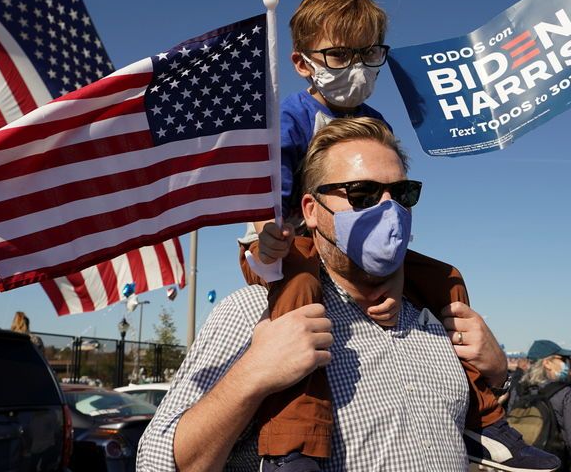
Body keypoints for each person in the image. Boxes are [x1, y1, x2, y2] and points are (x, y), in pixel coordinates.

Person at [238, 0, 552, 471]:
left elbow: (387, 205)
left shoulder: (375, 121)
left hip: (365, 247)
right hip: (293, 243)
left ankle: (484, 422)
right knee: (300, 294)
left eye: (369, 54)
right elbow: (268, 198)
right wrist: (268, 239)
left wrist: (393, 278)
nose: (357, 67)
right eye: (340, 54)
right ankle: (293, 445)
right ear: (302, 63)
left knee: (444, 277)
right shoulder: (293, 116)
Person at [137, 118, 548, 471]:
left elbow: (475, 428)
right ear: (311, 210)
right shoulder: (257, 313)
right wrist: (251, 376)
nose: (388, 209)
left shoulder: (437, 318)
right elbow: (157, 462)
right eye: (362, 194)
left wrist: (499, 375)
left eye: (401, 193)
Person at [508, 340, 571, 472]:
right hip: (555, 462)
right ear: (547, 363)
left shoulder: (518, 389)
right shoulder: (564, 392)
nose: (565, 364)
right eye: (562, 359)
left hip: (523, 463)